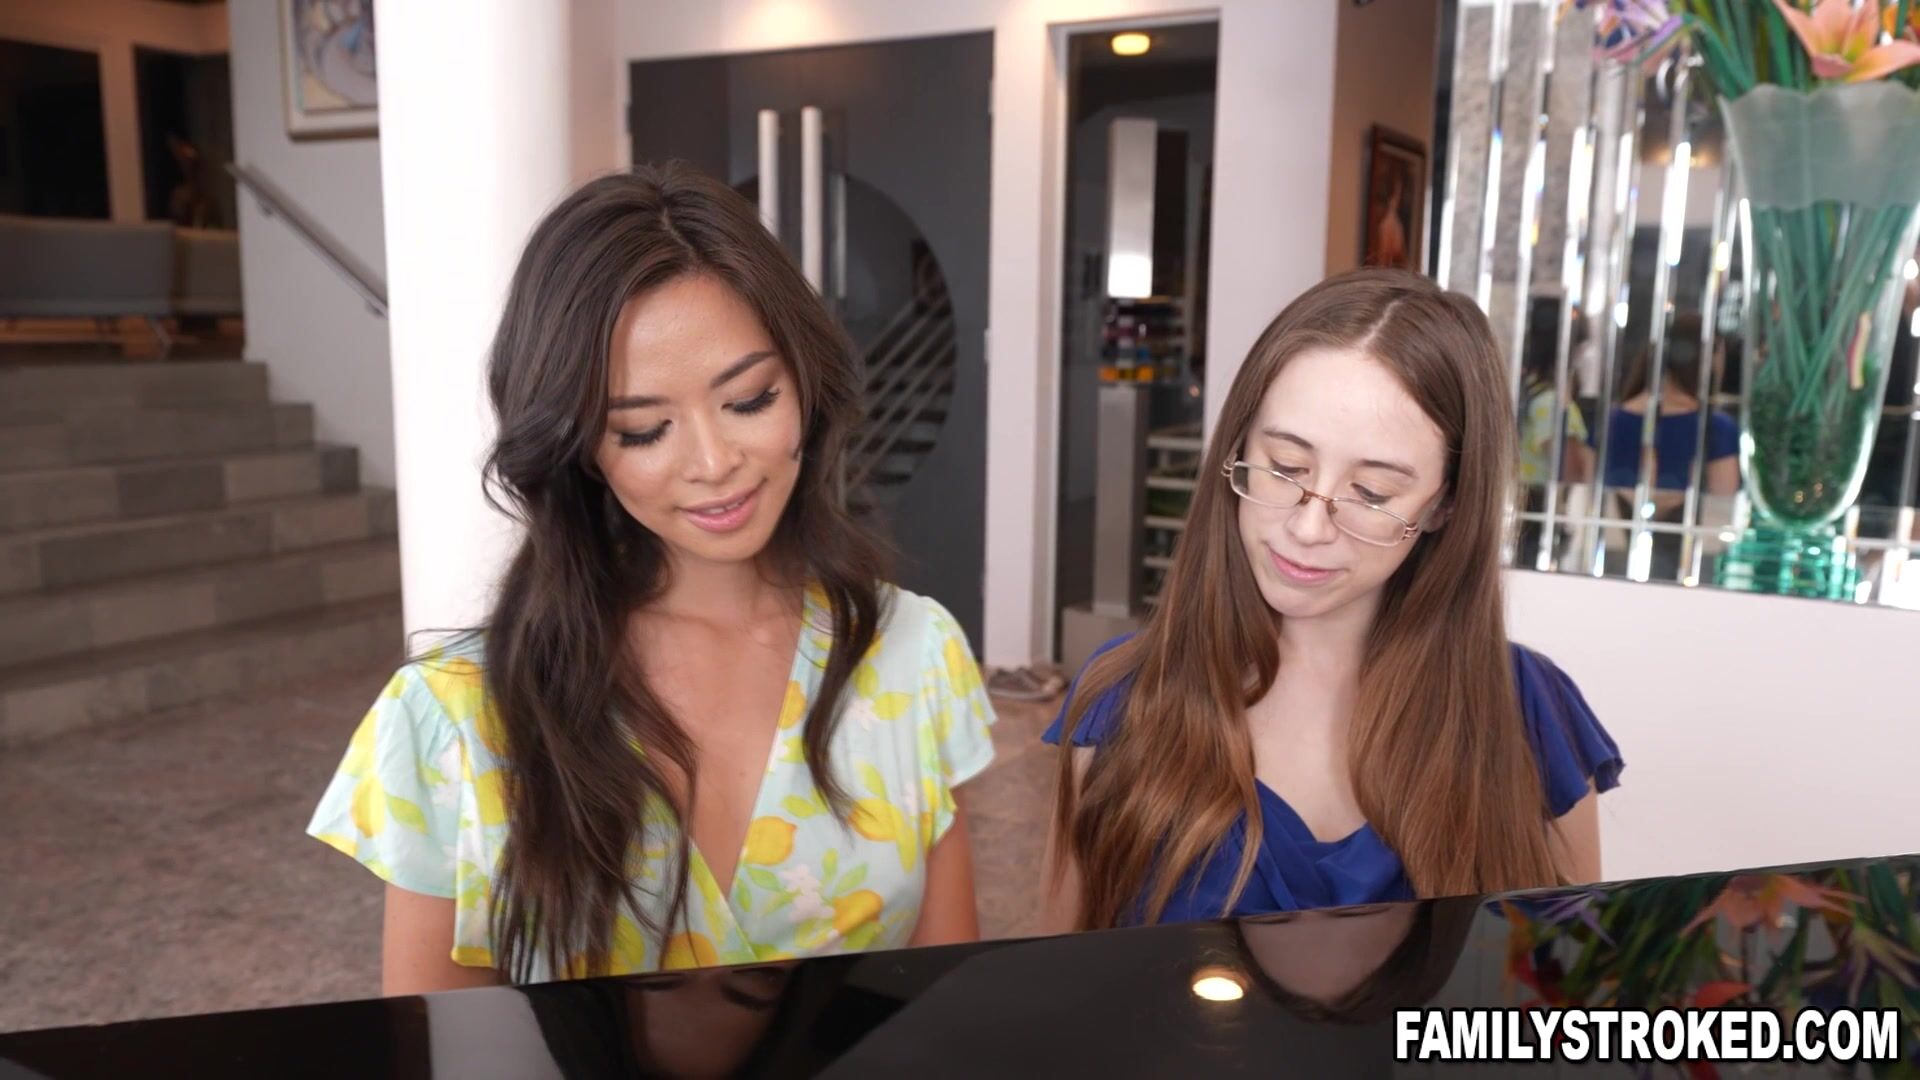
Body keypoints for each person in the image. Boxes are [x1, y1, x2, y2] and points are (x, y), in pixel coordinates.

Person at [307, 164, 996, 993]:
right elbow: (444, 1044)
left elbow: (943, 998)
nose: (713, 462)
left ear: (805, 385)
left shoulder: (913, 653)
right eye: (642, 431)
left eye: (749, 400)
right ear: (580, 448)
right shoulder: (453, 716)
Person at [1042, 268, 1623, 931]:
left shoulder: (1528, 711)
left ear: (1445, 505)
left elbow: (1563, 979)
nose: (1309, 527)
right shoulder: (1125, 698)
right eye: (1285, 467)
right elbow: (1062, 965)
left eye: (1372, 493)